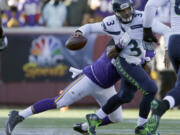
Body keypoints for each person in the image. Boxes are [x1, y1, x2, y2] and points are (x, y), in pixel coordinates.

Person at [78, 0, 170, 135]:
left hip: (138, 61)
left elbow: (165, 30)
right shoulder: (111, 22)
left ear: (132, 8)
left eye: (128, 9)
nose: (126, 13)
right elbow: (90, 27)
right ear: (116, 13)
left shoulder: (143, 17)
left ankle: (95, 118)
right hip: (124, 61)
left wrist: (164, 51)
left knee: (125, 96)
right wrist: (79, 32)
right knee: (151, 89)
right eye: (122, 11)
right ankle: (141, 127)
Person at [5, 39, 123, 135]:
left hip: (107, 86)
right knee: (60, 102)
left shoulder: (139, 53)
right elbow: (110, 52)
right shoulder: (120, 36)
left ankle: (83, 127)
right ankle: (19, 115)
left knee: (116, 117)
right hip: (90, 78)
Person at [142, 0, 180, 134]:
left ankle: (163, 104)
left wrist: (146, 30)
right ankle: (161, 106)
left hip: (174, 41)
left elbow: (150, 5)